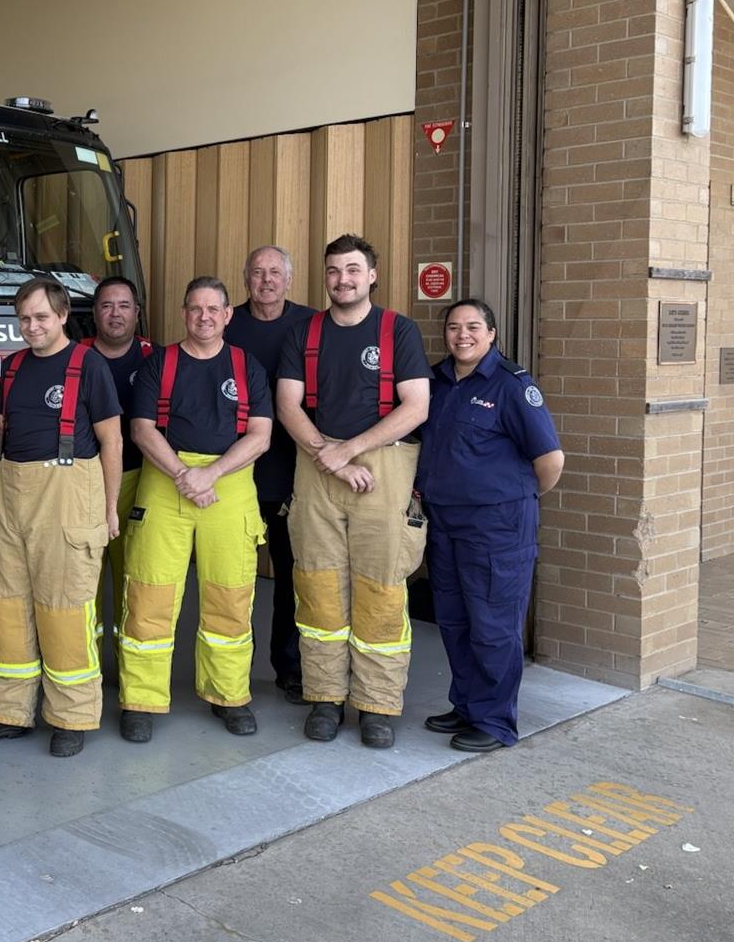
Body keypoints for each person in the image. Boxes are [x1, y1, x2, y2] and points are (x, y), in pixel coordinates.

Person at [0, 279, 122, 757]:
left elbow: (112, 441)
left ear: (64, 315)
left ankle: (72, 715)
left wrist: (109, 510)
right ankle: (8, 710)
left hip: (69, 495)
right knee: (6, 604)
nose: (32, 327)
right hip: (13, 495)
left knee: (64, 606)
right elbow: (1, 438)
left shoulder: (89, 366)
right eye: (25, 318)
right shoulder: (13, 368)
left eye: (42, 317)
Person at [275, 234, 431, 750]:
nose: (343, 279)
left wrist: (350, 450)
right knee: (319, 589)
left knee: (381, 589)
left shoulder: (398, 331)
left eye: (353, 270)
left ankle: (376, 706)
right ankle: (324, 698)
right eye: (334, 271)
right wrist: (330, 455)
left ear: (372, 275)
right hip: (317, 467)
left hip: (383, 469)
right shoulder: (305, 333)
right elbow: (288, 406)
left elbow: (416, 407)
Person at [117, 276, 273, 743]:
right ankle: (140, 700)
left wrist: (210, 475)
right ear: (184, 313)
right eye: (195, 309)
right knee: (148, 599)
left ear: (228, 315)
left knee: (230, 600)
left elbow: (261, 434)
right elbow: (142, 430)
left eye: (214, 310)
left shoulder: (248, 367)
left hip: (229, 488)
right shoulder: (158, 364)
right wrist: (185, 475)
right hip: (165, 482)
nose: (204, 318)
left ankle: (229, 695)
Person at [418, 298, 563, 752]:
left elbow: (550, 459)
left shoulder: (512, 386)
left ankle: (496, 721)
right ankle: (467, 706)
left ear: (492, 333)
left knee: (493, 625)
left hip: (497, 528)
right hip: (445, 524)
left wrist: (514, 497)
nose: (463, 335)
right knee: (455, 620)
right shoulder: (436, 382)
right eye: (455, 327)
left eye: (474, 326)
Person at [222, 246, 316, 705]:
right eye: (257, 272)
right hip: (231, 473)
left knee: (292, 576)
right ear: (245, 278)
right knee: (229, 581)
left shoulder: (312, 324)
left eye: (274, 272)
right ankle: (229, 673)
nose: (266, 281)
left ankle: (290, 667)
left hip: (292, 474)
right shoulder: (225, 322)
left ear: (289, 279)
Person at [85, 276, 153, 655]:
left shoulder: (153, 358)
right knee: (83, 580)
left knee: (132, 578)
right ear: (94, 313)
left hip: (138, 482)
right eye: (107, 305)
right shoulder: (75, 357)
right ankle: (85, 666)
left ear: (137, 313)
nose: (115, 314)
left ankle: (131, 667)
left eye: (124, 306)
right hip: (83, 484)